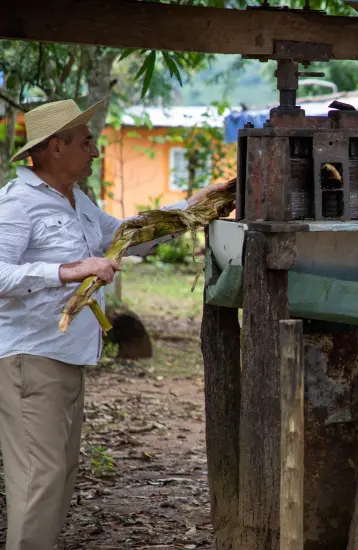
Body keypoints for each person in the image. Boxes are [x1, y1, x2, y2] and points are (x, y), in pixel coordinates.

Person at [0, 99, 231, 549]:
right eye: (86, 141)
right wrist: (69, 271)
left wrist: (195, 206)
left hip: (66, 356)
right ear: (54, 148)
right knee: (39, 480)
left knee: (59, 477)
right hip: (31, 358)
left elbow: (127, 233)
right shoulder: (18, 204)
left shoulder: (77, 202)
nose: (95, 150)